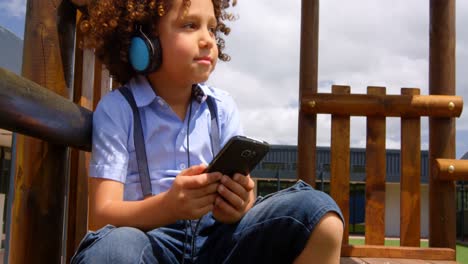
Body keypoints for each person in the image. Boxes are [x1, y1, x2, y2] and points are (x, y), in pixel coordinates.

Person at [71, 0, 344, 263]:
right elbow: (101, 213)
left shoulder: (222, 107)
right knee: (111, 252)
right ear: (146, 40)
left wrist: (240, 203)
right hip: (149, 244)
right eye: (190, 25)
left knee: (318, 214)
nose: (208, 40)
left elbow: (247, 196)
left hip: (218, 240)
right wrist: (169, 206)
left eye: (211, 29)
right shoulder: (118, 109)